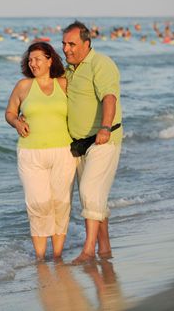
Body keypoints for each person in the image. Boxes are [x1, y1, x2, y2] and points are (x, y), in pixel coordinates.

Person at [5, 42, 76, 260]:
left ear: (49, 60)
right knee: (37, 204)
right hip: (30, 153)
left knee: (60, 204)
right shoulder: (23, 86)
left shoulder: (64, 84)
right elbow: (9, 112)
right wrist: (17, 123)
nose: (32, 63)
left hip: (64, 152)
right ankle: (40, 258)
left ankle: (57, 256)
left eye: (37, 59)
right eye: (30, 59)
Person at [61, 21, 123, 264]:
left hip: (103, 140)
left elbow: (109, 96)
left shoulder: (101, 63)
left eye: (72, 44)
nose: (66, 49)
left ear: (87, 44)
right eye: (64, 44)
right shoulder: (70, 69)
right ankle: (104, 247)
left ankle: (88, 251)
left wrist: (105, 128)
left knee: (89, 191)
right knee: (94, 197)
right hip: (79, 145)